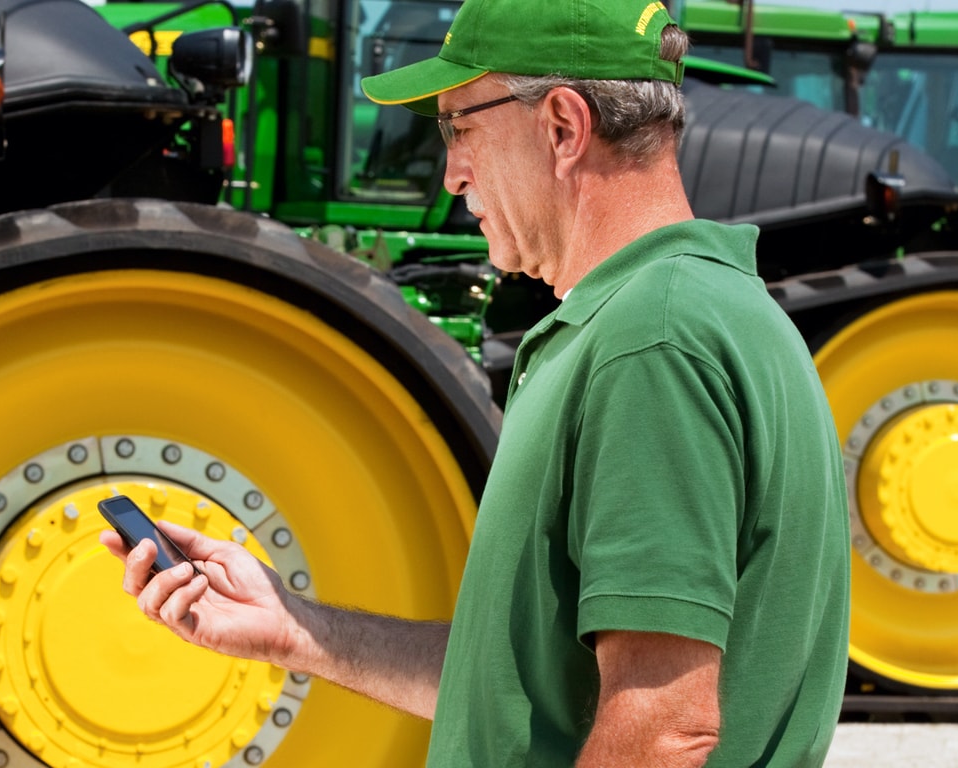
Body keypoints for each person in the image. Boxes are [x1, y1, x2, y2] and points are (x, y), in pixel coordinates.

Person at [102, 0, 851, 765]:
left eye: (459, 128)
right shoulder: (687, 316)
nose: (454, 171)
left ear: (561, 126)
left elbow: (663, 727)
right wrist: (296, 629)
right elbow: (525, 687)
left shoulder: (651, 341)